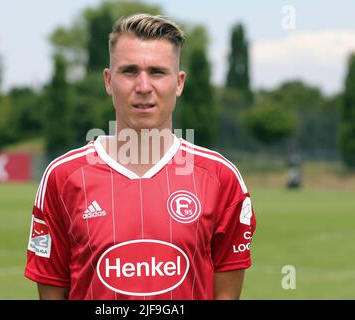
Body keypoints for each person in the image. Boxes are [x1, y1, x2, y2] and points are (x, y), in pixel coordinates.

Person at [25, 13, 256, 300]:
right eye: (130, 71)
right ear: (109, 81)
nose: (144, 86)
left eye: (158, 72)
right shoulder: (63, 177)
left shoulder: (221, 178)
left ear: (179, 82)